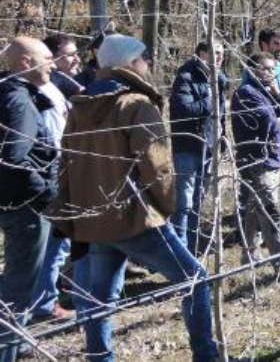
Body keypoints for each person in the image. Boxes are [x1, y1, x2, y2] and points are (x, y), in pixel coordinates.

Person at [51, 34, 218, 362]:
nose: (149, 63)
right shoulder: (136, 103)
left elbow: (66, 164)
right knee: (196, 281)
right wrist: (166, 208)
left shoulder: (81, 104)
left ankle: (100, 358)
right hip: (136, 217)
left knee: (99, 298)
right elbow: (157, 166)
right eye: (144, 58)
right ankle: (207, 356)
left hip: (94, 217)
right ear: (129, 63)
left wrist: (76, 213)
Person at [0, 37, 57, 362]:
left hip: (14, 204)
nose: (52, 63)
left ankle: (18, 346)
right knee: (19, 287)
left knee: (20, 283)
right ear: (26, 62)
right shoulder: (19, 101)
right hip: (26, 209)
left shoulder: (8, 93)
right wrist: (47, 194)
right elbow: (14, 159)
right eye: (47, 57)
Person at [231, 52, 280, 283]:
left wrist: (278, 94)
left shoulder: (269, 91)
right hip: (257, 161)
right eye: (266, 69)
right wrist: (277, 119)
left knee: (254, 207)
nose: (271, 73)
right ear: (252, 71)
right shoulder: (245, 94)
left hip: (273, 159)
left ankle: (249, 254)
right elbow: (267, 123)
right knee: (270, 213)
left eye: (273, 69)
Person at [29, 37, 80, 323]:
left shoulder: (56, 88)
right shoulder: (41, 93)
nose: (76, 60)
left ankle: (48, 295)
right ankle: (44, 303)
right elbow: (52, 141)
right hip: (55, 175)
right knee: (55, 241)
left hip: (63, 172)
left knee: (61, 241)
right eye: (68, 55)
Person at [169, 40, 229, 254]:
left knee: (198, 201)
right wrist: (209, 100)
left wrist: (222, 139)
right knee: (183, 203)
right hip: (188, 146)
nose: (220, 56)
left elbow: (221, 115)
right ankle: (179, 252)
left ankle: (192, 248)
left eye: (222, 52)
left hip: (210, 147)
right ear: (202, 53)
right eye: (216, 52)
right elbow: (184, 109)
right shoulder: (185, 76)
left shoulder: (219, 78)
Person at [43, 33, 84, 99]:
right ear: (51, 59)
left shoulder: (83, 81)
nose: (78, 60)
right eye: (70, 55)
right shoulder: (45, 92)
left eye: (77, 54)